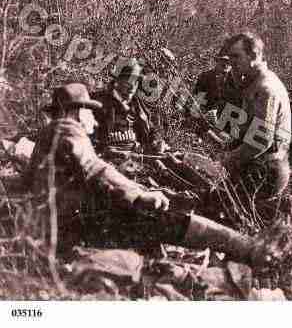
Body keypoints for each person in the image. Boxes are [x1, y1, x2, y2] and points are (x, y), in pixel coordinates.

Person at [26, 82, 278, 265]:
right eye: (90, 110)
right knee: (164, 218)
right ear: (76, 111)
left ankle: (245, 246)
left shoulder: (50, 134)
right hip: (74, 228)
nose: (94, 117)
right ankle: (250, 248)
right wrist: (139, 195)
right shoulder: (68, 129)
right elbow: (95, 169)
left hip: (62, 225)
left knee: (153, 224)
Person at [216, 32, 292, 223]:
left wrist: (229, 159)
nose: (231, 62)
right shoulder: (252, 82)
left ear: (254, 55)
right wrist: (227, 145)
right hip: (257, 164)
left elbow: (261, 141)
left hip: (266, 170)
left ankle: (281, 211)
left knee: (219, 209)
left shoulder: (265, 88)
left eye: (236, 56)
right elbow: (245, 129)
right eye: (229, 57)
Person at [92, 58, 162, 154]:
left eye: (135, 82)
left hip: (137, 156)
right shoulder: (99, 101)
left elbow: (152, 130)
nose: (132, 87)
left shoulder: (137, 104)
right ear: (117, 82)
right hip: (107, 156)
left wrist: (155, 141)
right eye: (127, 82)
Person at [193, 49, 242, 119]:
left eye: (229, 62)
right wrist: (204, 111)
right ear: (217, 61)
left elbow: (235, 106)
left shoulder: (235, 83)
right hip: (204, 115)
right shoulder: (205, 77)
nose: (226, 64)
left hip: (224, 119)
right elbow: (199, 98)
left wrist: (217, 112)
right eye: (223, 61)